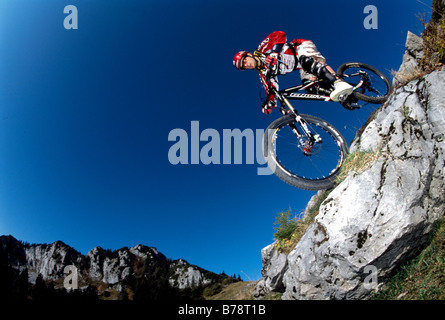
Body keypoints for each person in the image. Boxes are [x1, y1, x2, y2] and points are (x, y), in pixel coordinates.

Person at [233, 31, 354, 114]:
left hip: (300, 48)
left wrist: (275, 52)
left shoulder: (262, 50)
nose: (246, 65)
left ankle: (338, 82)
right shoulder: (264, 74)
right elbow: (271, 90)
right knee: (311, 89)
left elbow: (279, 34)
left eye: (245, 61)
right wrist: (269, 104)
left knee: (306, 62)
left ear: (249, 54)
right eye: (244, 66)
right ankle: (346, 96)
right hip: (301, 66)